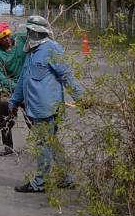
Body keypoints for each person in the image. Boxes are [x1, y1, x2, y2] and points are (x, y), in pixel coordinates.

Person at [8, 14, 85, 194]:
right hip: (34, 107)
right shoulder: (30, 52)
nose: (27, 34)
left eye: (29, 31)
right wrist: (13, 101)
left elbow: (66, 75)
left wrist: (80, 96)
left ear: (37, 32)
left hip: (47, 108)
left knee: (43, 144)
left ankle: (39, 182)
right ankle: (67, 178)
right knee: (52, 142)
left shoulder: (52, 49)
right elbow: (23, 79)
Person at [0, 22, 26, 156]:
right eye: (3, 38)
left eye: (8, 36)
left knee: (33, 118)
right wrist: (12, 86)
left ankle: (43, 144)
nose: (7, 39)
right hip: (9, 88)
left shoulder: (21, 39)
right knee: (4, 117)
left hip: (25, 85)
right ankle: (8, 146)